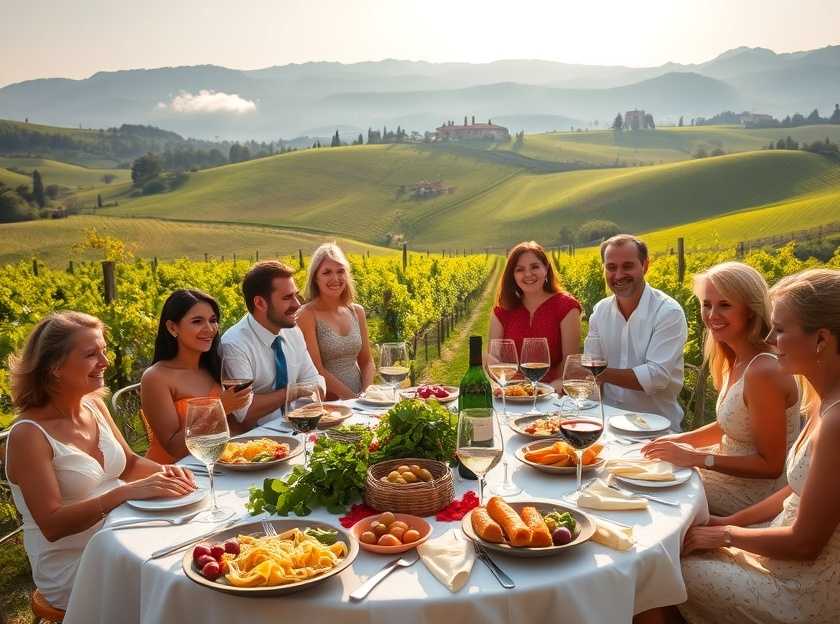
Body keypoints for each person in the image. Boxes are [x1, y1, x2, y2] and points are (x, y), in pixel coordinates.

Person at [638, 268, 840, 624]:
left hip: (800, 589)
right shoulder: (821, 399)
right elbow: (794, 489)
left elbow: (805, 543)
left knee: (653, 574)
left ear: (821, 339)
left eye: (779, 330)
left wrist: (725, 534)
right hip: (781, 552)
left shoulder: (835, 420)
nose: (771, 339)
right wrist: (727, 522)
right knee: (662, 555)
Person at [4, 312, 196, 610]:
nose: (105, 362)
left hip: (124, 537)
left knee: (198, 551)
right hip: (75, 567)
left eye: (104, 351)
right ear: (54, 366)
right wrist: (124, 493)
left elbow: (130, 465)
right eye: (92, 354)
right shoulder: (29, 435)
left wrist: (172, 474)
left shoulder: (93, 404)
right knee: (178, 582)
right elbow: (52, 524)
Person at [642, 262, 801, 516]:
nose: (712, 314)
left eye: (725, 305)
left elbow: (771, 465)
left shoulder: (763, 370)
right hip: (724, 472)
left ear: (750, 310)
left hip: (752, 495)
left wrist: (696, 458)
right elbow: (733, 424)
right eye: (707, 304)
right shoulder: (734, 355)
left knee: (648, 496)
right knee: (639, 469)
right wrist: (679, 440)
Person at [584, 234, 688, 430]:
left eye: (627, 266)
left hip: (656, 428)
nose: (618, 274)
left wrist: (600, 373)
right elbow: (591, 369)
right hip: (606, 423)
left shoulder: (667, 312)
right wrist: (583, 410)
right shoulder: (600, 311)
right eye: (611, 267)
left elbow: (656, 377)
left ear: (645, 265)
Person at [140, 289, 252, 464]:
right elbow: (173, 448)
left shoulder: (213, 367)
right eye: (197, 321)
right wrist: (219, 410)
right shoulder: (156, 378)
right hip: (175, 473)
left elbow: (233, 429)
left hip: (217, 464)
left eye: (213, 320)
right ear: (172, 327)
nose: (209, 329)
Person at [220, 260, 325, 428]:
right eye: (287, 297)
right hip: (260, 441)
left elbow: (315, 383)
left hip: (299, 427)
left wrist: (304, 392)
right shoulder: (235, 344)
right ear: (260, 303)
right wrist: (294, 392)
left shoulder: (293, 331)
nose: (297, 304)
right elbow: (245, 412)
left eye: (295, 295)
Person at [489, 241, 581, 389]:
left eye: (535, 267)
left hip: (553, 392)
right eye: (520, 269)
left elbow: (570, 361)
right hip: (513, 391)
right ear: (512, 275)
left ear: (546, 268)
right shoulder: (501, 311)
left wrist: (547, 389)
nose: (528, 274)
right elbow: (495, 359)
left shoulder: (566, 306)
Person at [297, 243, 374, 399]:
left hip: (359, 400)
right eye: (327, 272)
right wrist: (353, 399)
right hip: (328, 404)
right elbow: (317, 370)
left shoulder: (357, 312)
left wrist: (366, 395)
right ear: (315, 278)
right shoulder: (307, 315)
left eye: (340, 271)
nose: (335, 278)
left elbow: (367, 361)